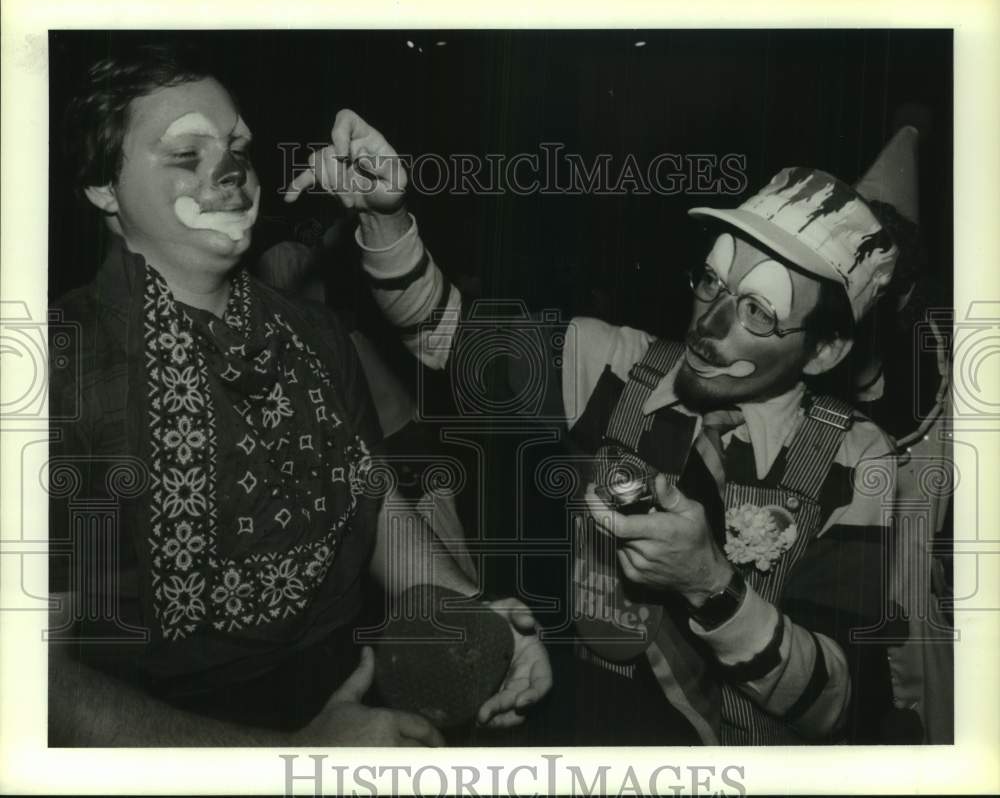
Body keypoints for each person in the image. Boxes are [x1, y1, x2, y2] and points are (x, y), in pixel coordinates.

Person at [285, 114, 922, 744]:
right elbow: (443, 335)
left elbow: (836, 706)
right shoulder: (613, 364)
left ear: (823, 353)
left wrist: (708, 582)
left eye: (758, 312)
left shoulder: (853, 458)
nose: (709, 323)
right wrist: (385, 218)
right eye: (711, 282)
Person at [47, 44, 550, 747]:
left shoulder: (314, 334)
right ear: (103, 186)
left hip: (365, 710)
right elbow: (36, 685)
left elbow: (376, 513)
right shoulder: (54, 367)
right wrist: (289, 761)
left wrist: (479, 624)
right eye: (186, 155)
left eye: (236, 147)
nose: (228, 172)